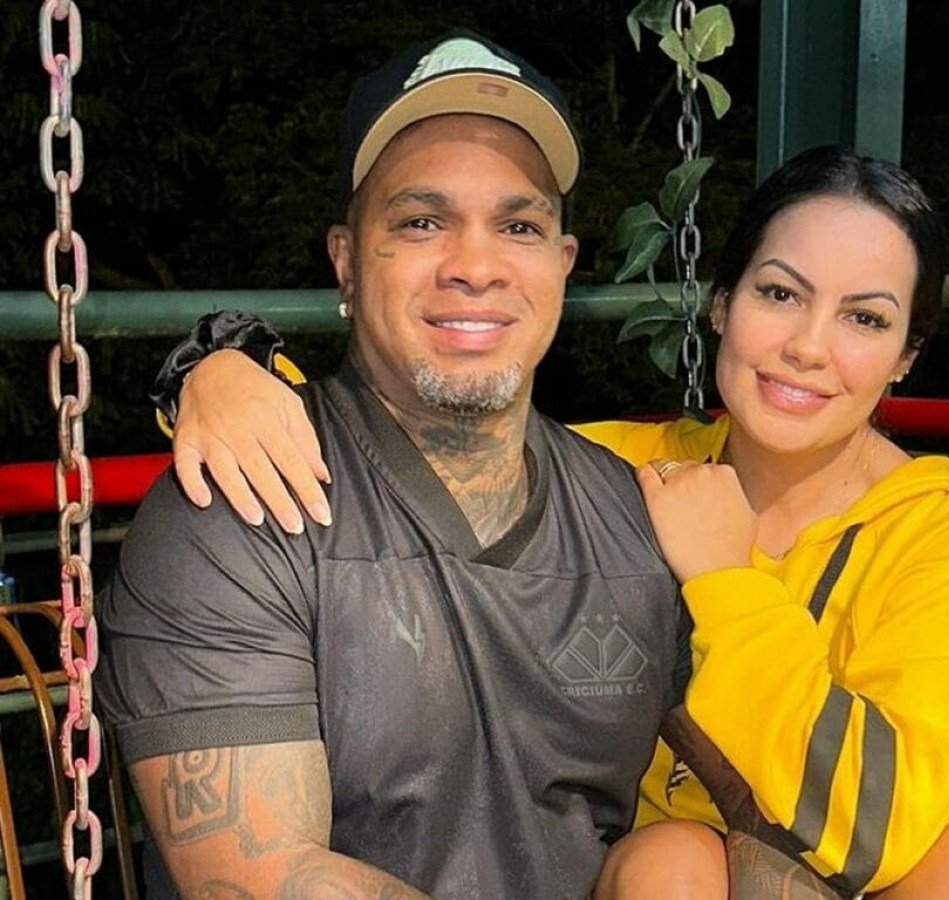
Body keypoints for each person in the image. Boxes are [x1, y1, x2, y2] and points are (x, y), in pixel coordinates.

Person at [167, 145, 949, 898]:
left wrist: (730, 583)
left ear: (904, 357)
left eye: (864, 318)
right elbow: (424, 449)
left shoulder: (946, 544)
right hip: (672, 872)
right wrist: (221, 369)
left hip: (881, 875)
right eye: (781, 295)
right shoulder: (626, 468)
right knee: (672, 863)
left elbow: (868, 834)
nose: (809, 347)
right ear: (722, 305)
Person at [97, 30, 692, 900]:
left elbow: (775, 798)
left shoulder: (637, 510)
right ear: (345, 261)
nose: (476, 268)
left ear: (562, 266)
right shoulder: (243, 505)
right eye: (421, 222)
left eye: (519, 226)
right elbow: (263, 878)